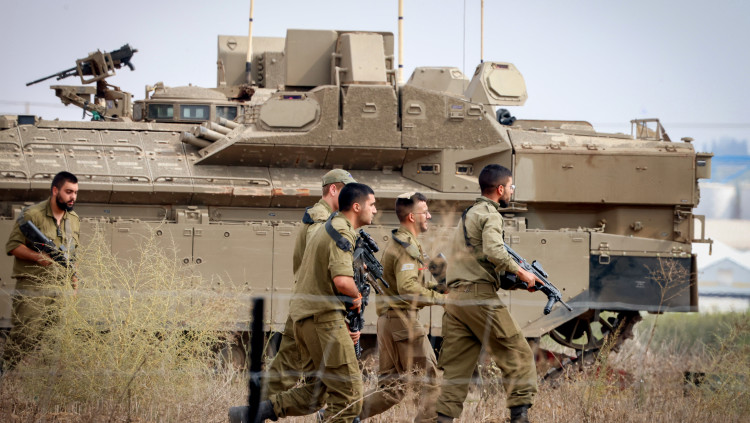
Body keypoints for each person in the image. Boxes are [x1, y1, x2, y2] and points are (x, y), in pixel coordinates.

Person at [255, 183, 377, 423]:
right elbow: (342, 281)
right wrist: (357, 297)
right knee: (349, 397)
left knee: (316, 392)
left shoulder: (328, 227)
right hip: (324, 319)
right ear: (356, 206)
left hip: (309, 318)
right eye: (372, 205)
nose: (374, 210)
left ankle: (253, 413)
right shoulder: (341, 231)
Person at [435, 164, 540, 423]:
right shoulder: (491, 214)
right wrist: (523, 273)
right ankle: (519, 418)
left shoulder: (469, 214)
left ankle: (443, 419)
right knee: (519, 353)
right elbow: (495, 251)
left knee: (456, 373)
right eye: (511, 187)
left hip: (456, 301)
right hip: (478, 298)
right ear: (500, 189)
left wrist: (515, 280)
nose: (512, 191)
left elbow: (480, 262)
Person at [265, 169, 356, 405]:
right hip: (313, 307)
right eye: (348, 191)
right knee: (288, 373)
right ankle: (252, 413)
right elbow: (323, 249)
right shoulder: (321, 219)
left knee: (290, 373)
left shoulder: (328, 218)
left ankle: (253, 411)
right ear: (333, 189)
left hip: (309, 305)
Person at [358, 192, 445, 422]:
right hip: (402, 322)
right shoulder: (406, 247)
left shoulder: (405, 243)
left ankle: (337, 417)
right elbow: (408, 288)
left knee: (391, 389)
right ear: (411, 217)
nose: (429, 216)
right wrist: (442, 300)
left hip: (390, 321)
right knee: (432, 384)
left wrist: (440, 288)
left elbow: (411, 283)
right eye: (424, 212)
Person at [2, 171, 80, 371]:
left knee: (57, 339)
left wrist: (74, 283)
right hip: (34, 285)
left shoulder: (73, 219)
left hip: (61, 286)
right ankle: (3, 371)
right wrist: (38, 257)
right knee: (25, 336)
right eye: (68, 192)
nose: (73, 197)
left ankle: (47, 382)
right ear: (55, 190)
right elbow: (13, 246)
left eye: (75, 193)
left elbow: (73, 254)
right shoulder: (32, 214)